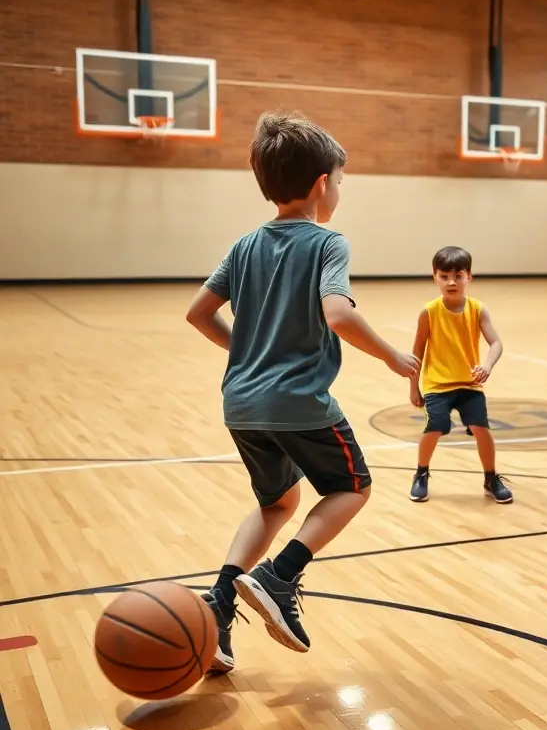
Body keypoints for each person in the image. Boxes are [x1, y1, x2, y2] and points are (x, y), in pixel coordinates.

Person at [185, 111, 419, 671]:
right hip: (298, 403)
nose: (339, 190)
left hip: (241, 404)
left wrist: (247, 355)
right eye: (340, 180)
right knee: (352, 487)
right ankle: (279, 574)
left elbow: (198, 314)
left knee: (277, 503)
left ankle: (218, 608)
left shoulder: (245, 246)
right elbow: (336, 312)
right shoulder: (327, 243)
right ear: (322, 185)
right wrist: (392, 355)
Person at [408, 246, 512, 504]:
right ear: (435, 277)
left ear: (469, 277)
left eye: (458, 275)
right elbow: (417, 353)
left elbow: (496, 343)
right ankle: (421, 473)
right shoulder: (429, 312)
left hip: (469, 384)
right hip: (436, 385)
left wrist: (487, 365)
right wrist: (414, 387)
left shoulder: (478, 309)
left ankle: (490, 477)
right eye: (444, 276)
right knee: (435, 428)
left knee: (481, 429)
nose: (451, 282)